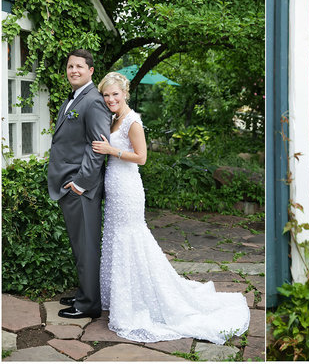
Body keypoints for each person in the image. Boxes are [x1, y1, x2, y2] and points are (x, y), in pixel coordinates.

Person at [90, 72, 250, 344]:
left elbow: (141, 157)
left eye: (115, 94)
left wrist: (110, 151)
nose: (110, 99)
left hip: (128, 188)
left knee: (132, 238)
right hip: (115, 188)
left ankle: (141, 300)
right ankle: (121, 297)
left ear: (125, 93)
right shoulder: (113, 118)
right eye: (106, 95)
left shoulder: (132, 121)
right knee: (117, 238)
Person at [47, 49, 112, 319]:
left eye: (79, 67)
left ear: (91, 71)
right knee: (80, 245)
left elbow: (97, 147)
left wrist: (80, 183)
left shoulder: (93, 101)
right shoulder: (74, 98)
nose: (73, 70)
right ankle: (86, 294)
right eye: (70, 66)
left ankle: (89, 305)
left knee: (86, 246)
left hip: (81, 189)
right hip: (69, 184)